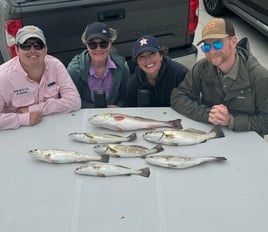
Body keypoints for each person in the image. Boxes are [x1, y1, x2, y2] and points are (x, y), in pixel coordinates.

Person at [171, 18, 268, 137]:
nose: (211, 51)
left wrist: (232, 121)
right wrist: (209, 114)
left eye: (217, 44)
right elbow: (178, 96)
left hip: (246, 138)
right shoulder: (201, 68)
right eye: (206, 47)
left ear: (233, 42)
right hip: (211, 133)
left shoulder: (259, 77)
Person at [0, 25, 81, 130]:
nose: (32, 50)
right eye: (26, 46)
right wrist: (23, 119)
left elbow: (74, 101)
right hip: (16, 133)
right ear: (17, 50)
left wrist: (34, 109)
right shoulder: (3, 77)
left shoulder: (56, 65)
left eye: (38, 45)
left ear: (46, 49)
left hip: (53, 128)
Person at [67, 22, 130, 108]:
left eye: (103, 44)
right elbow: (72, 101)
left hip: (114, 117)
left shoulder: (122, 67)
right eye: (92, 45)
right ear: (86, 45)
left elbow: (125, 98)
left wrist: (118, 108)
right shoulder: (74, 71)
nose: (98, 49)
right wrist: (98, 108)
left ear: (110, 43)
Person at [124, 35, 188, 107]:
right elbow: (128, 108)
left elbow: (191, 103)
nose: (148, 60)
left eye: (152, 54)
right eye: (142, 56)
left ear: (161, 55)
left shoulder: (180, 74)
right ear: (137, 62)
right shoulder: (133, 82)